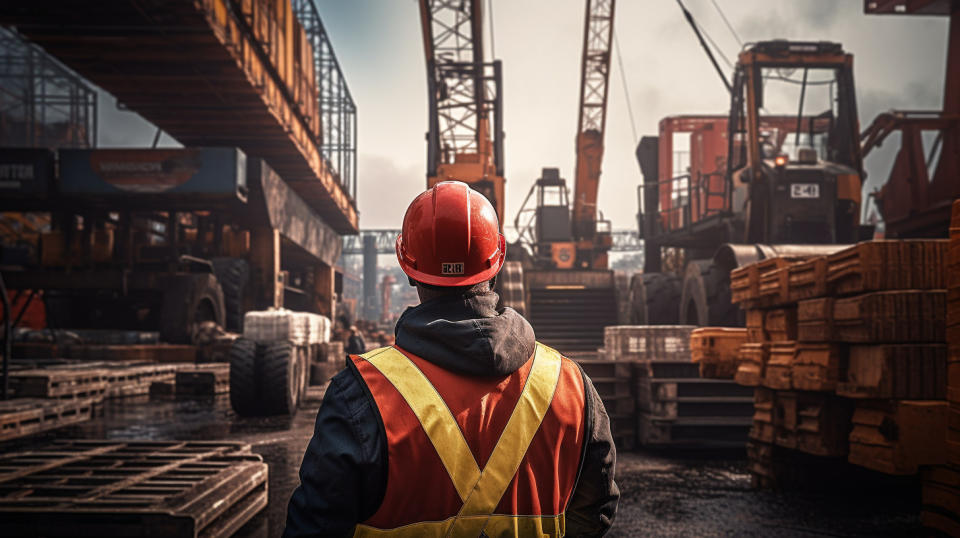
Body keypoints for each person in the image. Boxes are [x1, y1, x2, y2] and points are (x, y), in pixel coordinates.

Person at [284, 181, 618, 537]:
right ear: (498, 259)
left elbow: (314, 527)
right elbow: (595, 509)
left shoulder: (362, 394)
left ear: (408, 266)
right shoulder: (569, 386)